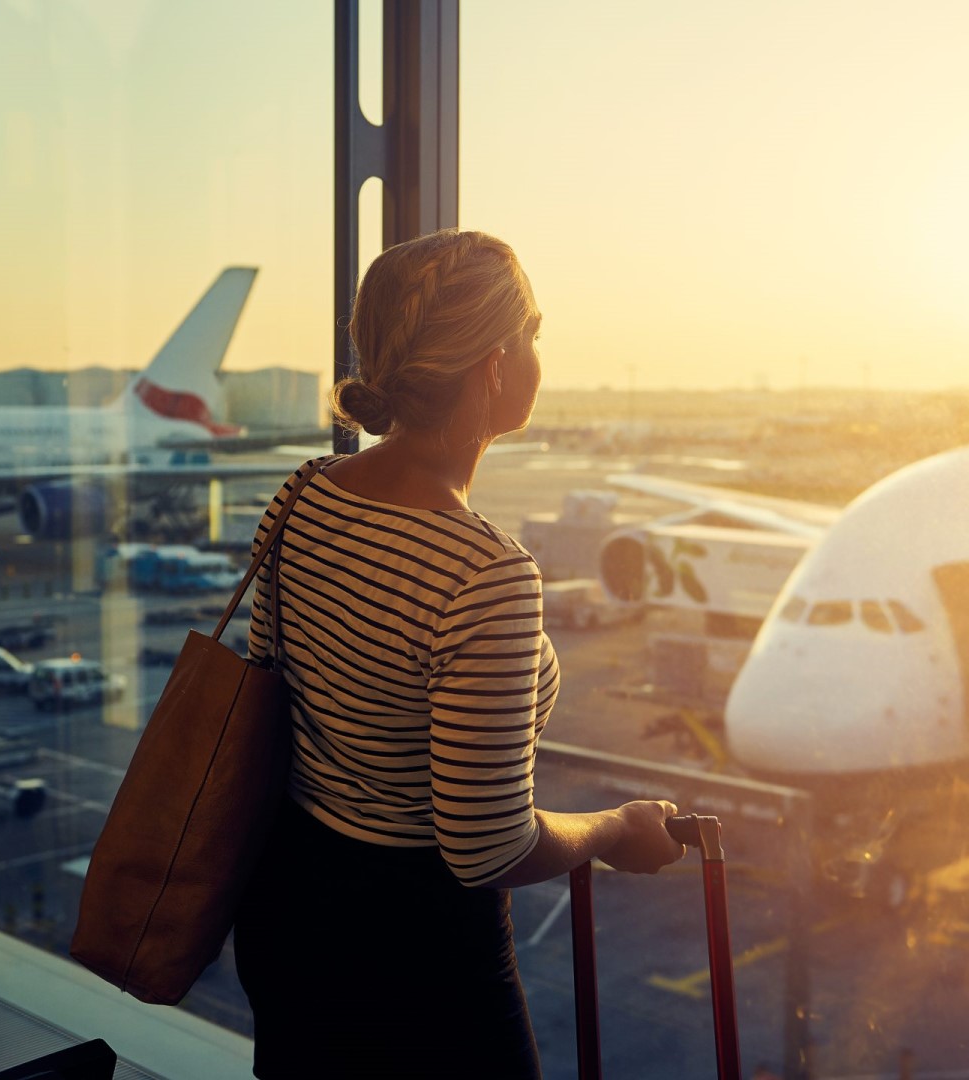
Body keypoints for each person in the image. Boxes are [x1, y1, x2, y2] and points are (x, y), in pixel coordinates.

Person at [232, 229, 689, 1078]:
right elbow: (486, 849)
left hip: (289, 912)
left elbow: (266, 698)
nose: (541, 355)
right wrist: (612, 829)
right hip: (415, 963)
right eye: (534, 333)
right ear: (494, 366)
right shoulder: (485, 573)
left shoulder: (301, 494)